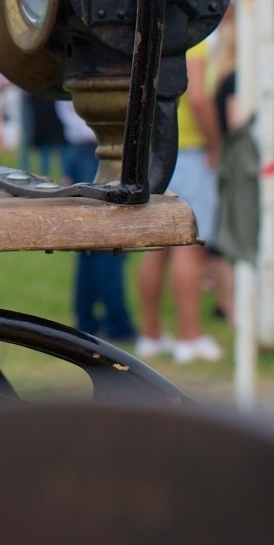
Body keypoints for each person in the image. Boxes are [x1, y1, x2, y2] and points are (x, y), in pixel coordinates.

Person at [137, 39, 222, 364]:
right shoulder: (191, 39)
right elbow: (198, 98)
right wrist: (215, 145)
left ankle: (151, 334)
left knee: (156, 248)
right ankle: (189, 337)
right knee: (189, 245)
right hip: (187, 150)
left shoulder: (144, 35)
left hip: (152, 151)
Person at [62, 101, 134, 342]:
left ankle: (87, 320)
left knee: (90, 250)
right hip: (102, 148)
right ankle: (117, 322)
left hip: (84, 149)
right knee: (109, 247)